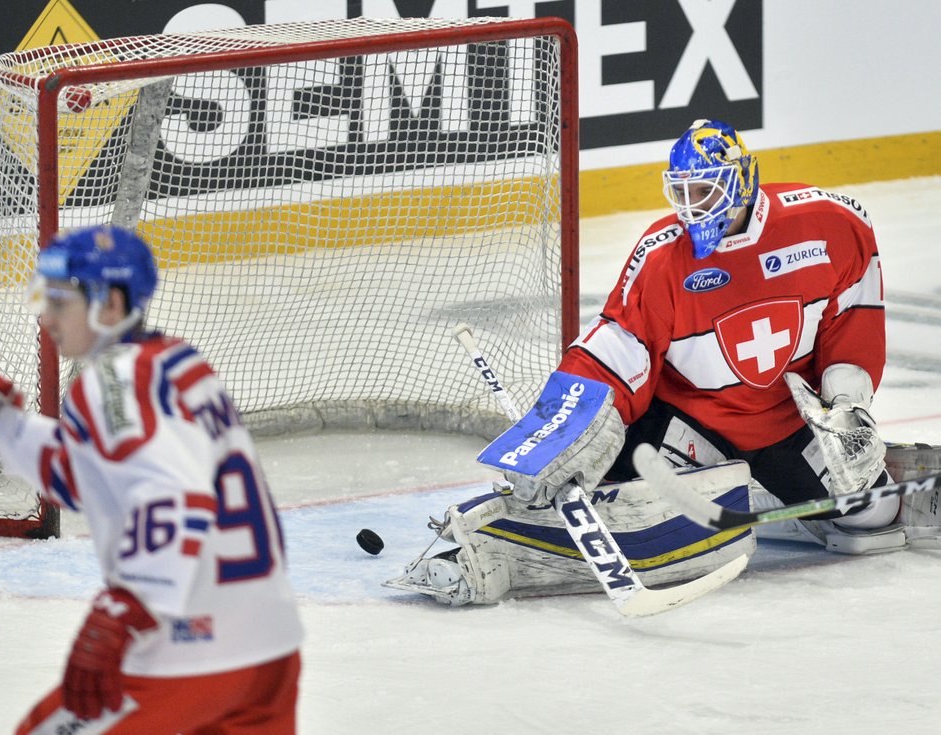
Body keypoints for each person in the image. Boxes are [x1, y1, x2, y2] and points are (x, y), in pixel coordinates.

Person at [389, 118, 938, 607]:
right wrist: (560, 430)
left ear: (742, 179)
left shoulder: (829, 223)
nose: (692, 206)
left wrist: (847, 406)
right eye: (682, 192)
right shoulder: (661, 257)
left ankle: (773, 491)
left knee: (872, 518)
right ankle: (489, 543)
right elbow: (611, 354)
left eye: (706, 190)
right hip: (681, 425)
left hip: (782, 423)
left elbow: (853, 319)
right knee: (622, 508)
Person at [0, 225, 303, 733]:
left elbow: (175, 495)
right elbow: (92, 479)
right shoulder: (175, 362)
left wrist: (122, 609)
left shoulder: (114, 379)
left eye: (60, 301)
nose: (45, 316)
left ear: (110, 306)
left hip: (188, 647)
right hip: (269, 645)